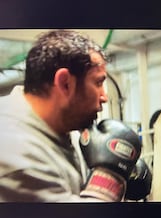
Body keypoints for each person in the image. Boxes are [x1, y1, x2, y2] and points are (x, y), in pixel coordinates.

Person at [0, 29, 142, 202]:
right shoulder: (15, 156)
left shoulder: (60, 124)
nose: (104, 97)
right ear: (65, 83)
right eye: (98, 83)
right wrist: (110, 177)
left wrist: (124, 175)